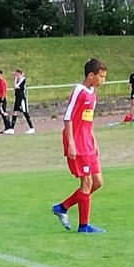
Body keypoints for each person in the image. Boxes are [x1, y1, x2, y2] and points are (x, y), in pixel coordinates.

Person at [51, 58, 108, 234]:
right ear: (91, 75)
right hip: (77, 143)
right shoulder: (79, 91)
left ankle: (63, 207)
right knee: (87, 182)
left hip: (88, 142)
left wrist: (93, 139)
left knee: (97, 182)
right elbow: (68, 117)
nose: (103, 80)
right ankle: (84, 226)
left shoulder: (93, 93)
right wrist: (71, 143)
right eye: (101, 76)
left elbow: (87, 120)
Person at [11, 69, 35, 133]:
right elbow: (14, 87)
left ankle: (31, 128)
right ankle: (11, 128)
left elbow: (15, 86)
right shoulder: (18, 80)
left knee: (25, 112)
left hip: (21, 98)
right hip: (17, 98)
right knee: (15, 112)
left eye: (17, 74)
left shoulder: (22, 80)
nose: (16, 75)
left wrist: (15, 79)